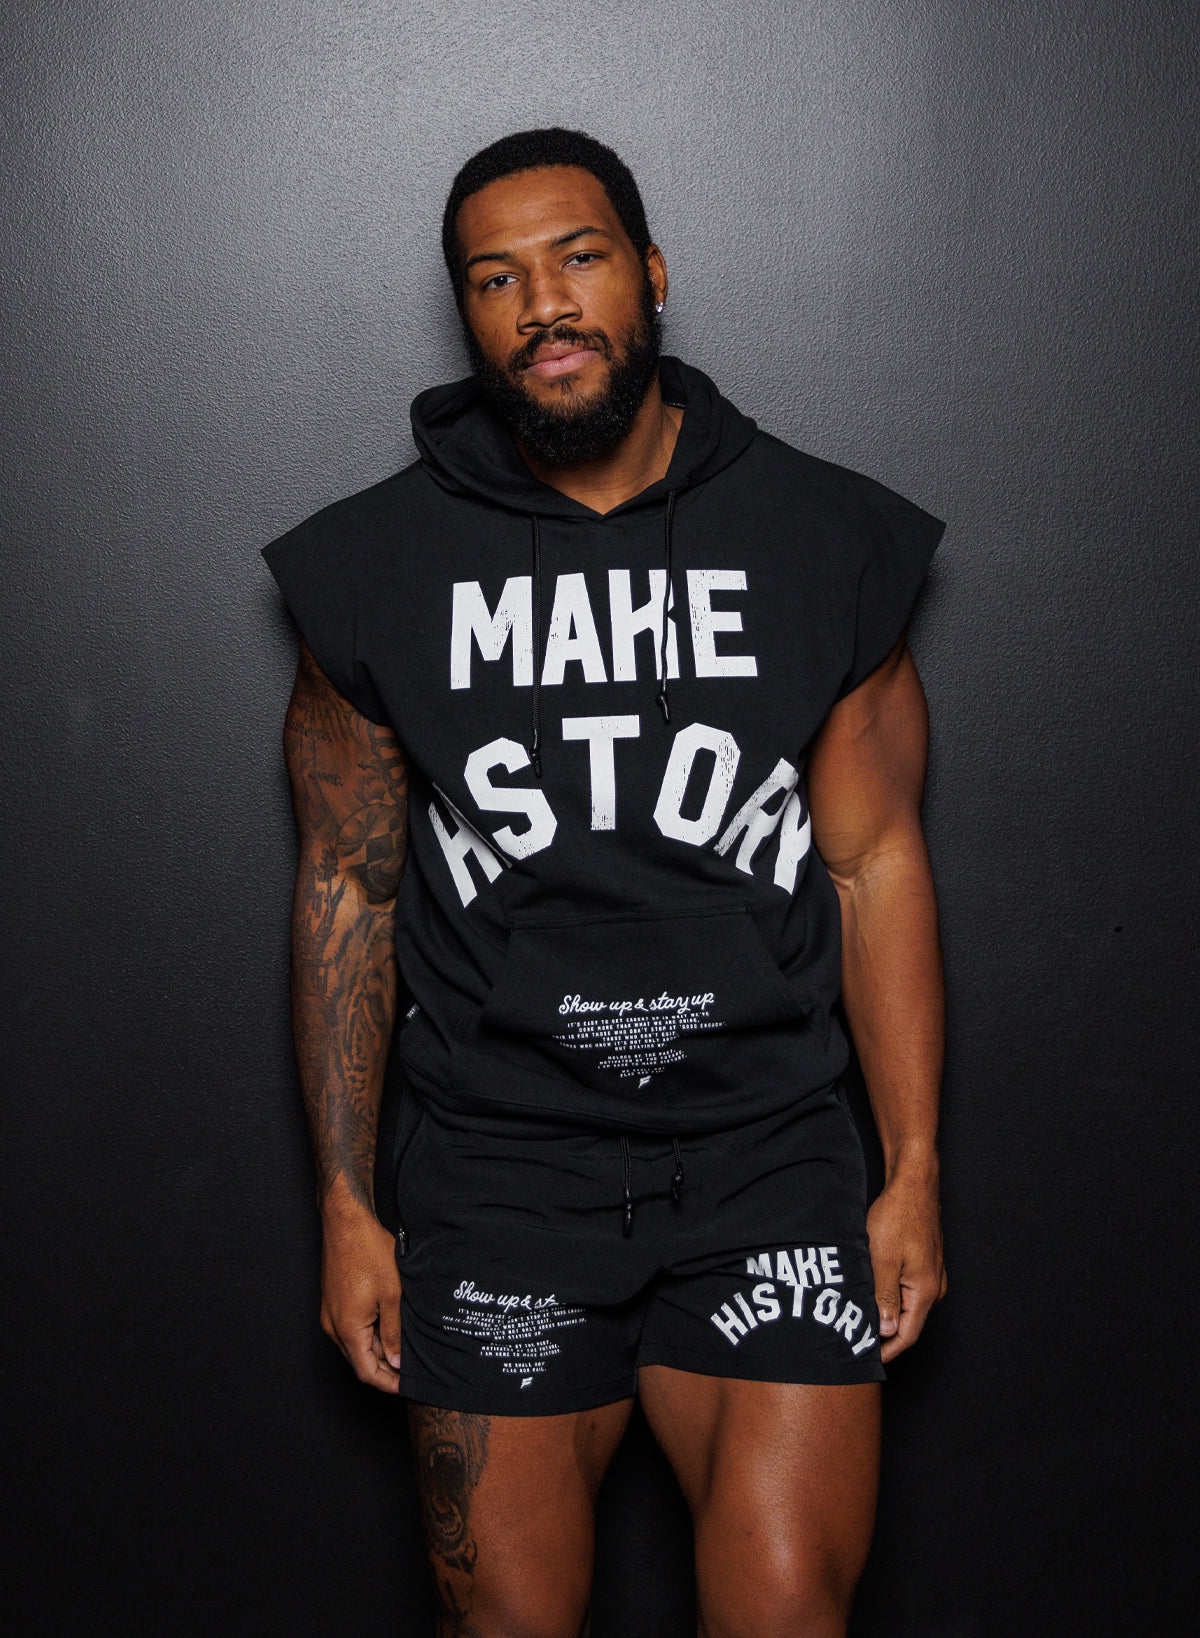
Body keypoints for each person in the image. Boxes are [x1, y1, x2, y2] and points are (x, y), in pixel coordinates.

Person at [264, 126, 947, 1638]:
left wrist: (910, 1169)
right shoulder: (374, 568)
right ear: (467, 312)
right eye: (495, 279)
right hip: (498, 1168)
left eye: (578, 259)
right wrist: (346, 1202)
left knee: (786, 1610)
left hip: (769, 1153)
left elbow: (873, 860)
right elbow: (348, 894)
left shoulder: (822, 535)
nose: (543, 306)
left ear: (651, 270)